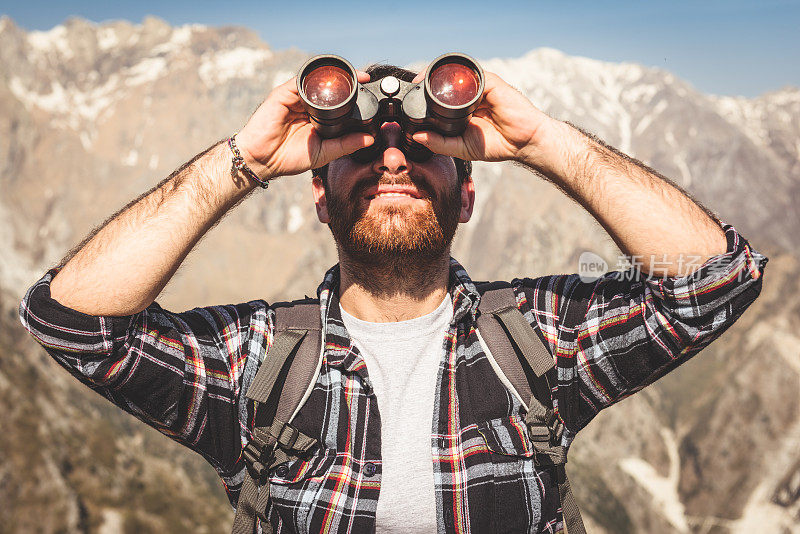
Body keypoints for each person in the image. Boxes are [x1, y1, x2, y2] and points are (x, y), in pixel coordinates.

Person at [19, 61, 767, 533]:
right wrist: (241, 162)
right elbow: (75, 324)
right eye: (362, 148)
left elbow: (715, 283)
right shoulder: (258, 362)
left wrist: (541, 141)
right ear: (318, 195)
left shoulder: (536, 336)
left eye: (425, 146)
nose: (393, 159)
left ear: (467, 195)